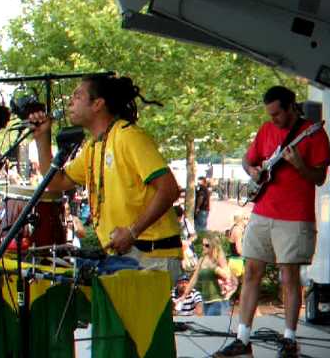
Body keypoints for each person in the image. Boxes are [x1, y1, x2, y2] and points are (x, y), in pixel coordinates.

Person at [213, 86, 330, 358]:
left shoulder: (314, 133)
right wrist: (252, 171)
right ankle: (243, 338)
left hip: (294, 216)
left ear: (292, 107)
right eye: (270, 114)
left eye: (278, 113)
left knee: (289, 277)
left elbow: (319, 178)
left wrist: (299, 164)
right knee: (252, 271)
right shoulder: (266, 130)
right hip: (263, 211)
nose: (273, 119)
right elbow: (247, 159)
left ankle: (290, 339)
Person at [29, 75, 182, 280]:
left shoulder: (128, 136)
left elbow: (170, 189)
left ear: (98, 104)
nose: (70, 101)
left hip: (150, 254)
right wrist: (42, 138)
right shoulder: (93, 146)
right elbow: (57, 183)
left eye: (77, 96)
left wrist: (132, 232)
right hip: (126, 255)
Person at [182, 235, 236, 316]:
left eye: (207, 245)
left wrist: (214, 268)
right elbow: (194, 278)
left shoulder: (219, 258)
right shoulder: (202, 259)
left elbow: (227, 275)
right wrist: (185, 294)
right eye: (203, 244)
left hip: (218, 300)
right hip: (206, 301)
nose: (204, 247)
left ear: (213, 246)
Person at [173, 205, 197, 272]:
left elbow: (194, 235)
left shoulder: (185, 222)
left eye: (179, 218)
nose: (178, 220)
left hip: (185, 249)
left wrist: (188, 241)